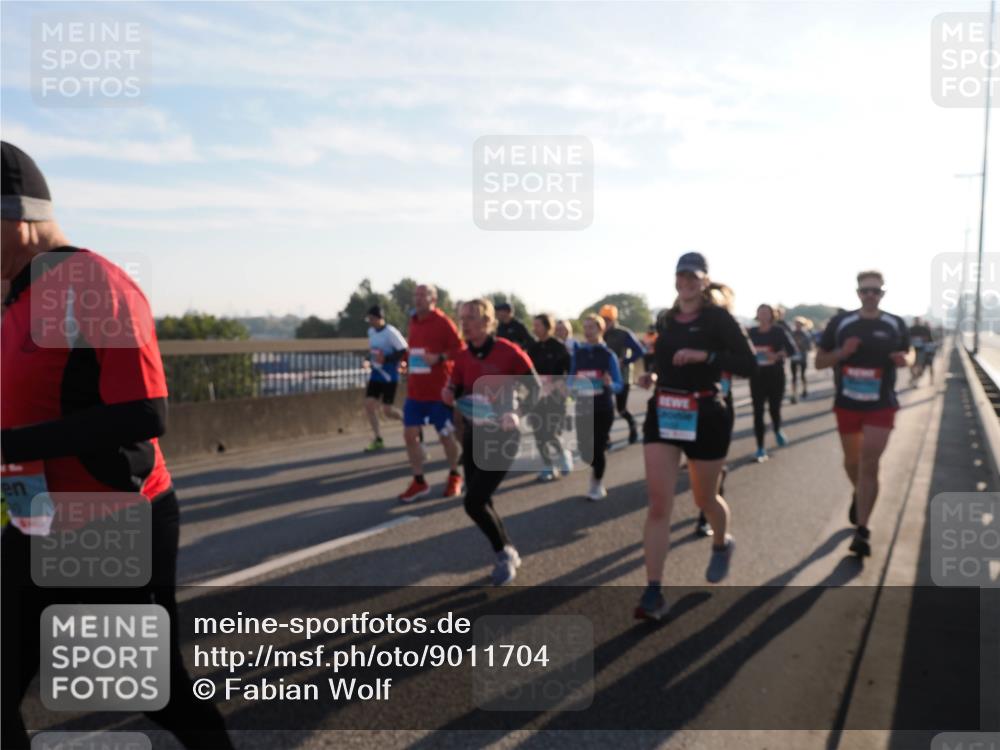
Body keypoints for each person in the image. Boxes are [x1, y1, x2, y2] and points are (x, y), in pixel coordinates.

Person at [0, 142, 234, 750]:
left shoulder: (91, 282)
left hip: (109, 520)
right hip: (32, 517)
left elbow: (145, 413)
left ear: (17, 218)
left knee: (155, 691)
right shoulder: (15, 296)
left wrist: (11, 444)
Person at [636, 252, 756, 620]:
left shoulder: (719, 319)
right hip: (665, 410)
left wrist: (705, 356)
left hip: (706, 414)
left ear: (704, 281)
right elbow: (664, 361)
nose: (686, 282)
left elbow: (748, 364)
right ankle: (653, 592)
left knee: (704, 498)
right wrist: (653, 377)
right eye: (681, 276)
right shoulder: (665, 318)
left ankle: (721, 543)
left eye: (693, 277)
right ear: (675, 279)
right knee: (659, 504)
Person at [815, 270, 912, 558]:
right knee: (852, 462)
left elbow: (910, 353)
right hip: (847, 404)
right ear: (857, 293)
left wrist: (905, 359)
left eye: (876, 291)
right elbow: (819, 362)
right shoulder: (841, 323)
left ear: (883, 293)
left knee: (870, 464)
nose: (870, 295)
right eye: (865, 290)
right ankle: (860, 493)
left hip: (881, 404)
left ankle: (862, 530)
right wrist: (842, 353)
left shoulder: (894, 323)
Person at [442, 299, 539, 585]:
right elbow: (455, 388)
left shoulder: (509, 352)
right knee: (481, 499)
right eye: (462, 318)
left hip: (503, 437)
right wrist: (448, 393)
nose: (464, 323)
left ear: (487, 321)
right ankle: (507, 548)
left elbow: (535, 390)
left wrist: (517, 412)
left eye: (471, 318)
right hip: (474, 436)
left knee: (473, 502)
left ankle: (504, 554)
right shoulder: (462, 356)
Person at [398, 284, 465, 503]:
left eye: (422, 295)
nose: (417, 299)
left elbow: (460, 349)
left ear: (433, 299)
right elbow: (413, 349)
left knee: (445, 436)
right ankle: (419, 481)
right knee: (409, 435)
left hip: (438, 392)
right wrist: (405, 363)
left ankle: (454, 475)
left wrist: (439, 358)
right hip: (415, 391)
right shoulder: (413, 321)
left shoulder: (443, 322)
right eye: (415, 295)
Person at [569, 314, 624, 501]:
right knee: (585, 450)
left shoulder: (608, 355)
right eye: (585, 327)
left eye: (591, 327)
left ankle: (597, 483)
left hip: (603, 407)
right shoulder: (578, 353)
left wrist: (609, 384)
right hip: (583, 406)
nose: (587, 331)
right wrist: (570, 387)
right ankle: (597, 462)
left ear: (601, 330)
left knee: (597, 449)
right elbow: (571, 378)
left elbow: (619, 385)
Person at [748, 304, 799, 462]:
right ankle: (760, 447)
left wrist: (777, 355)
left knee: (774, 408)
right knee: (758, 411)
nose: (763, 315)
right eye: (760, 312)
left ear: (772, 315)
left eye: (766, 312)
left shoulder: (779, 331)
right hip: (757, 376)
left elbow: (792, 350)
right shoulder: (751, 332)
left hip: (775, 375)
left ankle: (777, 429)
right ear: (757, 315)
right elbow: (743, 351)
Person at [526, 313, 573, 480]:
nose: (534, 329)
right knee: (539, 433)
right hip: (537, 397)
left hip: (556, 397)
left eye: (538, 325)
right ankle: (548, 466)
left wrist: (560, 384)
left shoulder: (559, 347)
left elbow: (570, 371)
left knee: (550, 432)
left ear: (547, 327)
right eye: (534, 325)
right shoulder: (533, 348)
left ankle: (563, 453)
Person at [362, 305, 407, 452]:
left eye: (372, 319)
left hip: (389, 376)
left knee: (387, 411)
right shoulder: (371, 332)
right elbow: (374, 351)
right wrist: (367, 359)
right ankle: (378, 439)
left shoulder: (391, 332)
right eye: (369, 319)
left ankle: (408, 421)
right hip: (376, 374)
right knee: (369, 405)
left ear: (380, 318)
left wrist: (386, 359)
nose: (370, 322)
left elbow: (403, 350)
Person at [600, 304, 646, 445]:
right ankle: (605, 437)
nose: (605, 322)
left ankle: (632, 425)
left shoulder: (624, 333)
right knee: (604, 409)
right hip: (605, 378)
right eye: (603, 319)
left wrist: (624, 361)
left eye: (607, 319)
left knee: (621, 409)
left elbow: (640, 350)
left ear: (613, 319)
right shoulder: (600, 334)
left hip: (622, 377)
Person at [789, 316, 814, 403]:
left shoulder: (806, 334)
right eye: (796, 324)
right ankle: (793, 394)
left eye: (799, 324)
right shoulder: (792, 334)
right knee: (794, 376)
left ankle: (804, 389)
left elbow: (810, 347)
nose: (797, 326)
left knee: (803, 375)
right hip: (794, 357)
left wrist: (801, 345)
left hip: (803, 357)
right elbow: (788, 345)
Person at [908, 316, 935, 386]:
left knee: (920, 366)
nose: (917, 322)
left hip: (921, 351)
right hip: (912, 351)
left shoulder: (924, 329)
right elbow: (906, 339)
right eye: (915, 321)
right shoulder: (910, 329)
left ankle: (916, 380)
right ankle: (914, 377)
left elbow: (929, 340)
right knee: (911, 366)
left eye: (918, 321)